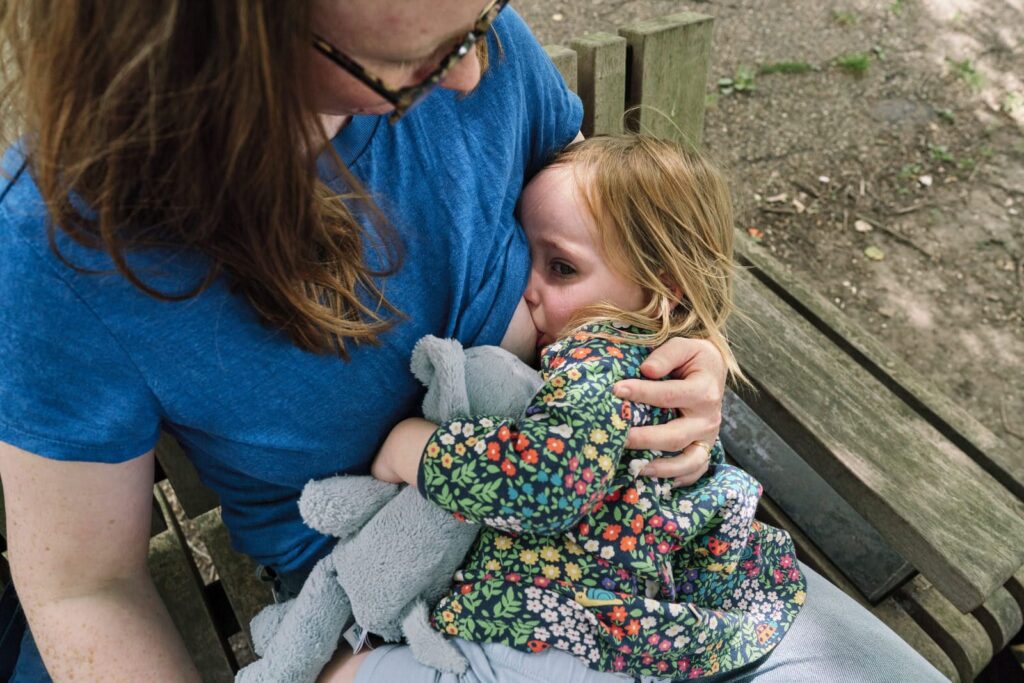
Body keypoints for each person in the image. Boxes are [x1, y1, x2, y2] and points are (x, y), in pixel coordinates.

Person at [0, 1, 946, 682]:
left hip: (627, 537)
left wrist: (685, 358)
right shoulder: (58, 253)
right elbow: (86, 587)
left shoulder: (472, 47)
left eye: (482, 21)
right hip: (403, 607)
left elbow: (615, 241)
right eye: (417, 64)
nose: (471, 77)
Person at [372, 134, 808, 680]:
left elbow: (545, 483)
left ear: (661, 290)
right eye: (521, 253)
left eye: (561, 268)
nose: (525, 287)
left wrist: (411, 449)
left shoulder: (598, 360)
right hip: (644, 613)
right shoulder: (654, 353)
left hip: (566, 632)